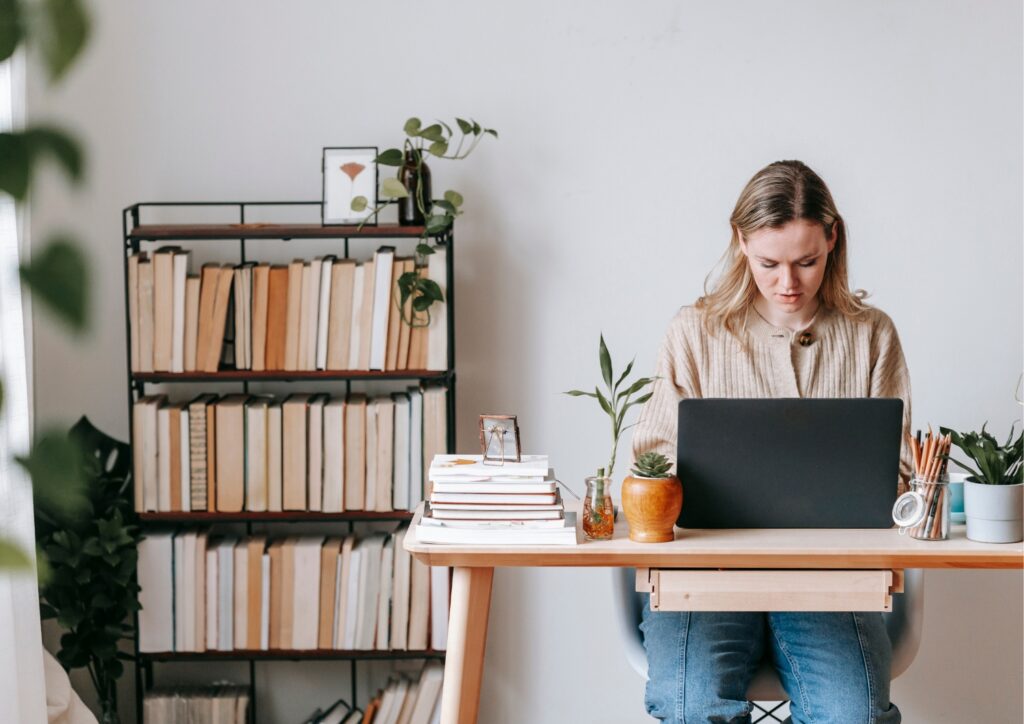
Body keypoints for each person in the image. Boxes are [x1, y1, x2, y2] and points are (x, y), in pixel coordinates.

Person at [631, 159, 912, 724]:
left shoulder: (870, 333)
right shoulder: (695, 331)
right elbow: (651, 460)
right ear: (740, 242)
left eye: (806, 261)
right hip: (704, 581)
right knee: (691, 709)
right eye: (769, 263)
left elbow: (900, 476)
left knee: (851, 715)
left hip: (830, 583)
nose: (789, 283)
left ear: (832, 238)